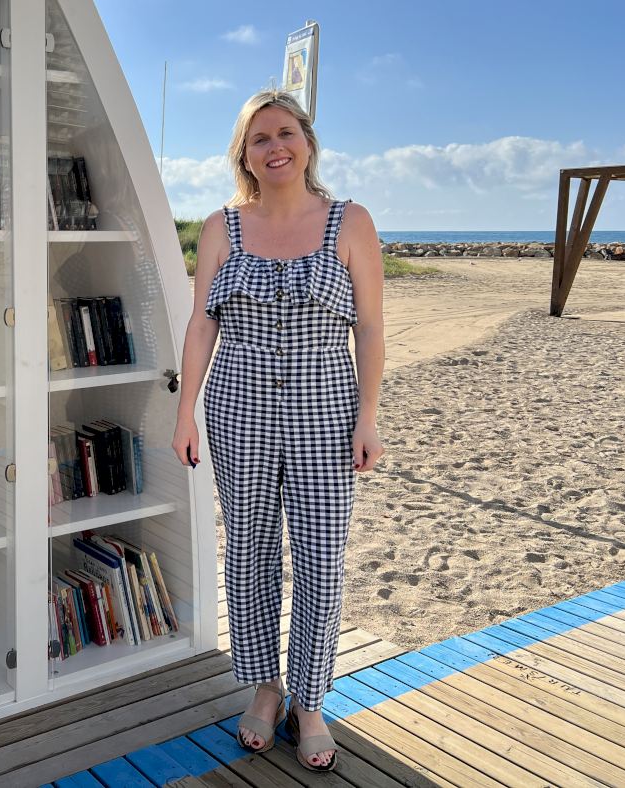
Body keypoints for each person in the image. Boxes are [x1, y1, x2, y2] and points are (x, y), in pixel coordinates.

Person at [171, 90, 384, 773]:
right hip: (238, 408)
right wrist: (185, 411)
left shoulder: (350, 221)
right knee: (250, 551)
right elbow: (202, 323)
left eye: (285, 132)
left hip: (327, 410)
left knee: (321, 558)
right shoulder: (221, 228)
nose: (275, 147)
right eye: (259, 138)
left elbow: (370, 328)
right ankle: (266, 686)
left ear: (308, 142)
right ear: (244, 155)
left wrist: (368, 417)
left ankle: (310, 701)